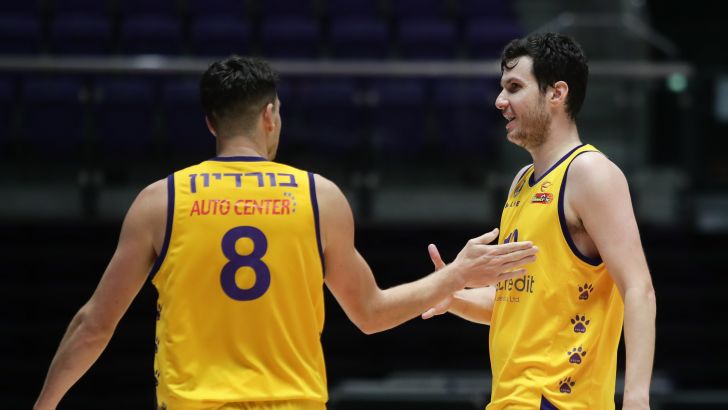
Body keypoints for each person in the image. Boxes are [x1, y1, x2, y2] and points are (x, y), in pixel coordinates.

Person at [33, 56, 539, 410]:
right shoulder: (319, 198)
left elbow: (94, 326)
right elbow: (371, 314)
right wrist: (455, 276)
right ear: (270, 115)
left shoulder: (160, 201)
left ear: (211, 124)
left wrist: (45, 404)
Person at [422, 33, 657, 409]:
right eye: (502, 88)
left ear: (556, 94)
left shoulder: (591, 173)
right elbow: (516, 300)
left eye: (514, 87)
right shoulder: (521, 182)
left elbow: (638, 288)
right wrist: (454, 297)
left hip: (559, 401)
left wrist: (636, 398)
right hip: (510, 399)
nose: (500, 101)